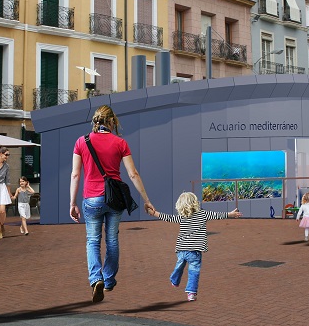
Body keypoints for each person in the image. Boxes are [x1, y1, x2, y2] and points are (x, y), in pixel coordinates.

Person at [70, 105, 153, 303]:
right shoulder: (120, 143)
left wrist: (72, 202)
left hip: (91, 199)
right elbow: (133, 174)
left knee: (93, 240)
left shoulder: (81, 142)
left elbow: (75, 174)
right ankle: (108, 280)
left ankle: (96, 278)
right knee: (112, 240)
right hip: (114, 199)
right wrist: (147, 200)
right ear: (112, 122)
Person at [147, 192, 240, 301]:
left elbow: (168, 218)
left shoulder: (182, 217)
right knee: (194, 272)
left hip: (182, 249)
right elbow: (217, 215)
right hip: (195, 251)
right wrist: (230, 214)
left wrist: (154, 213)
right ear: (195, 202)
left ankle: (174, 280)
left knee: (179, 265)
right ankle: (191, 293)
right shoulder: (203, 214)